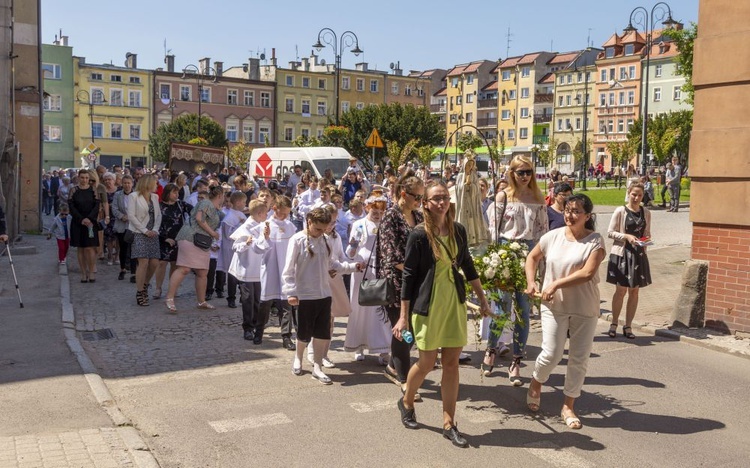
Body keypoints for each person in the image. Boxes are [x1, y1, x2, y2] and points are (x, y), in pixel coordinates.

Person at [394, 180, 491, 447]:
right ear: (425, 203)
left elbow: (468, 267)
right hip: (427, 306)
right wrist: (403, 316)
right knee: (426, 363)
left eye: (445, 198)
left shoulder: (458, 230)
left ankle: (449, 423)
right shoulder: (418, 234)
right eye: (436, 198)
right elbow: (409, 277)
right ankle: (406, 401)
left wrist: (482, 298)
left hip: (454, 304)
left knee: (451, 364)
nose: (442, 202)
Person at [524, 193, 606, 430]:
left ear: (587, 216)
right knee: (552, 353)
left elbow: (587, 273)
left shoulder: (595, 241)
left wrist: (556, 283)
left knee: (578, 359)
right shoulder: (553, 236)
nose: (570, 216)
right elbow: (532, 257)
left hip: (584, 306)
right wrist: (532, 282)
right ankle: (537, 382)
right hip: (554, 306)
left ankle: (568, 405)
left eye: (576, 212)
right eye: (568, 210)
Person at [484, 155, 548, 384]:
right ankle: (491, 349)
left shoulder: (538, 198)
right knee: (502, 307)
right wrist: (494, 261)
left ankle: (516, 360)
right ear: (511, 173)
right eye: (520, 172)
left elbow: (542, 233)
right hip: (505, 252)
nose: (525, 176)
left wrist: (541, 266)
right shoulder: (503, 197)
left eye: (528, 172)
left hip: (529, 254)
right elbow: (493, 230)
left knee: (523, 309)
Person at [282, 207, 363, 384]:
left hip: (324, 294)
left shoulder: (326, 240)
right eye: (318, 229)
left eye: (324, 229)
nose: (321, 233)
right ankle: (298, 357)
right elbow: (288, 270)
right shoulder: (297, 240)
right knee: (304, 332)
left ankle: (317, 366)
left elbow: (332, 263)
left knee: (322, 332)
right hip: (305, 294)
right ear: (309, 222)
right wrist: (291, 293)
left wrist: (352, 267)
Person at [378, 171, 424, 396]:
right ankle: (404, 378)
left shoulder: (419, 217)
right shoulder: (391, 216)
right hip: (397, 283)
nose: (420, 202)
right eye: (417, 197)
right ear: (403, 194)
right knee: (403, 329)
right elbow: (390, 255)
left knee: (411, 332)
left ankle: (392, 365)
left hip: (418, 283)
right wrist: (414, 269)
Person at [344, 195, 391, 364]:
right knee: (359, 307)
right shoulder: (359, 224)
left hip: (380, 269)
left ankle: (383, 350)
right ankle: (358, 346)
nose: (378, 214)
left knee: (380, 310)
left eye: (380, 211)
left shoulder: (386, 225)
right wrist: (353, 247)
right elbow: (350, 251)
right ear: (367, 208)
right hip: (362, 270)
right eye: (374, 211)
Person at [165, 185, 224, 312]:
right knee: (184, 268)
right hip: (190, 238)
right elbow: (199, 219)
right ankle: (169, 298)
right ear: (220, 196)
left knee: (202, 272)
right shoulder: (206, 202)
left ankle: (201, 301)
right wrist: (213, 233)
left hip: (201, 242)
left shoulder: (214, 207)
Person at [606, 181, 652, 339]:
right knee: (620, 290)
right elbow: (610, 232)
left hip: (638, 255)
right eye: (634, 194)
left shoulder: (646, 212)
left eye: (639, 195)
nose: (636, 198)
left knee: (634, 291)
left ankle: (628, 325)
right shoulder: (620, 210)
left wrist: (645, 240)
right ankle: (614, 323)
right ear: (628, 193)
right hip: (623, 253)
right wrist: (626, 236)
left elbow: (647, 232)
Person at [253, 196, 296, 349]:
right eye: (282, 213)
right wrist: (265, 236)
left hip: (286, 269)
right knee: (265, 303)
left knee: (286, 304)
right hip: (270, 267)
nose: (285, 216)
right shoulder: (265, 225)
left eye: (287, 213)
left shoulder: (290, 226)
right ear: (275, 208)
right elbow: (257, 249)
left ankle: (286, 336)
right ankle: (258, 331)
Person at [229, 200, 269, 341]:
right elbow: (235, 247)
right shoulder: (245, 228)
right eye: (265, 212)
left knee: (258, 299)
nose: (267, 214)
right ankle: (248, 327)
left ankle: (257, 324)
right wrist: (246, 244)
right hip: (246, 269)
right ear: (259, 213)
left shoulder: (263, 225)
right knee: (248, 300)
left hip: (258, 269)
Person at [127, 174, 162, 306]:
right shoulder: (134, 196)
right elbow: (131, 215)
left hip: (153, 233)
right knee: (143, 262)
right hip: (139, 233)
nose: (157, 185)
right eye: (155, 183)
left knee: (154, 263)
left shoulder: (155, 197)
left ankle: (145, 284)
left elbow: (158, 215)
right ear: (148, 183)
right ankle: (140, 291)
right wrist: (144, 230)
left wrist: (155, 230)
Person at [153, 183, 192, 299]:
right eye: (174, 192)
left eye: (177, 192)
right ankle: (158, 288)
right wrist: (165, 238)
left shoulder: (181, 204)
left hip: (178, 238)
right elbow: (155, 223)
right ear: (167, 193)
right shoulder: (159, 206)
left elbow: (194, 212)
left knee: (175, 264)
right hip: (162, 238)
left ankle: (173, 288)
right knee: (161, 264)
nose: (176, 195)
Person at [68, 169, 100, 283]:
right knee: (80, 248)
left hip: (90, 223)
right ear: (78, 177)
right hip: (78, 223)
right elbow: (71, 206)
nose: (84, 180)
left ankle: (91, 271)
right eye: (82, 177)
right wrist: (81, 219)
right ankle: (83, 273)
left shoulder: (93, 190)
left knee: (90, 247)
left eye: (86, 178)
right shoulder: (73, 190)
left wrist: (89, 218)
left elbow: (96, 205)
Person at [217, 191, 247, 308]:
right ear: (238, 202)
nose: (245, 204)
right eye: (244, 202)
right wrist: (239, 225)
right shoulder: (229, 217)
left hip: (241, 248)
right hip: (230, 248)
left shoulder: (241, 214)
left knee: (241, 273)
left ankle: (242, 296)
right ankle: (231, 297)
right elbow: (227, 234)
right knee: (232, 274)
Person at [454, 154, 489, 246]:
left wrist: (471, 185)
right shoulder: (460, 176)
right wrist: (465, 185)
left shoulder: (474, 176)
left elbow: (476, 189)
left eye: (471, 165)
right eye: (468, 165)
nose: (469, 167)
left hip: (472, 202)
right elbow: (458, 189)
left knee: (473, 221)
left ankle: (474, 239)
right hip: (463, 202)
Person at [101, 172, 119, 266]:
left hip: (118, 216)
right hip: (107, 216)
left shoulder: (119, 190)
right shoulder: (103, 191)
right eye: (106, 180)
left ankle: (117, 256)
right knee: (109, 237)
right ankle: (110, 255)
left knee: (118, 237)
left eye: (110, 179)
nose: (108, 181)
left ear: (114, 180)